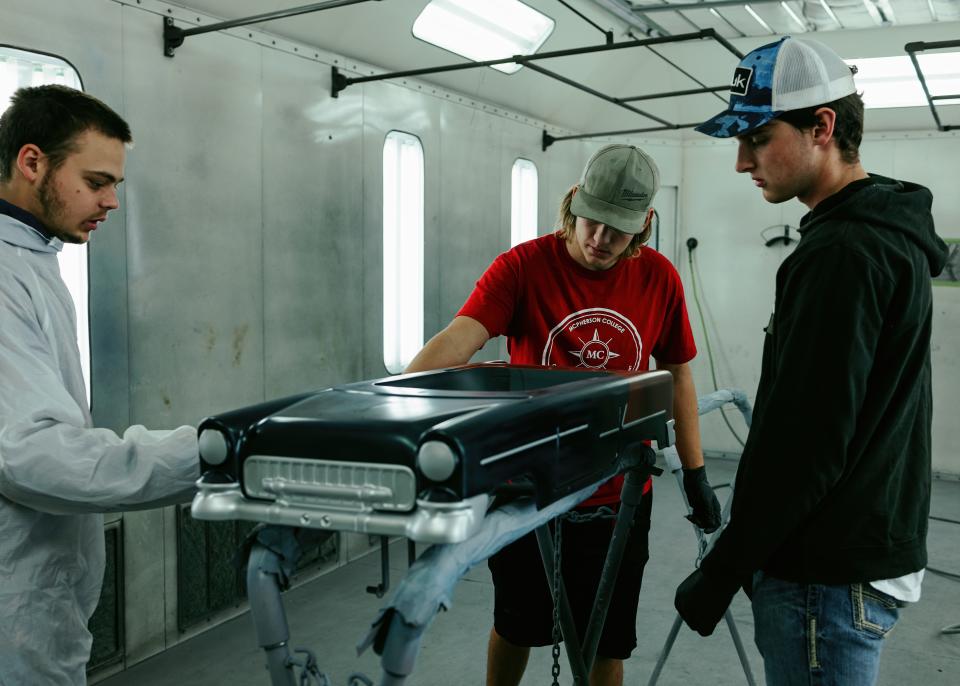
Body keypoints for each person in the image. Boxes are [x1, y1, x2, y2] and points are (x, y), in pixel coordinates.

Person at [673, 37, 949, 686]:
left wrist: (720, 573)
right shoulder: (882, 234)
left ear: (822, 127)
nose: (742, 162)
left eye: (758, 138)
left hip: (825, 579)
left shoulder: (842, 254)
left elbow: (807, 445)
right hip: (859, 554)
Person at [405, 143, 721, 686]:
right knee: (516, 625)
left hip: (619, 496)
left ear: (644, 224)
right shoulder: (523, 267)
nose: (598, 240)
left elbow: (679, 374)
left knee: (607, 639)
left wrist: (694, 474)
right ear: (573, 201)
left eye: (617, 230)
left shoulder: (660, 279)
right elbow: (462, 335)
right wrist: (406, 395)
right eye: (590, 221)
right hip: (529, 491)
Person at [0, 85, 200, 684]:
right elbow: (30, 453)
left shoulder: (32, 258)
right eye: (95, 181)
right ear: (32, 162)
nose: (112, 201)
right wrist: (211, 451)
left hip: (39, 598)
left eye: (115, 183)